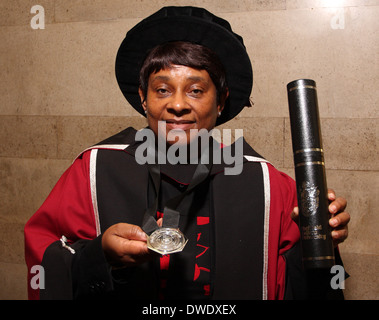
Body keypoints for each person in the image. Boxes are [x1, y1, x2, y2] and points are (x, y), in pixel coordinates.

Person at [24, 6, 350, 300]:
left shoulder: (268, 185)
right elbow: (46, 259)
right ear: (143, 97)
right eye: (162, 89)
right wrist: (100, 257)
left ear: (221, 101)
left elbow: (303, 286)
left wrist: (321, 244)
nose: (177, 105)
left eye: (196, 90)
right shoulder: (94, 169)